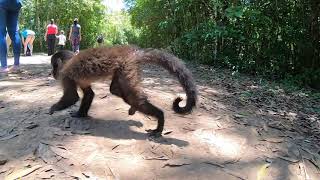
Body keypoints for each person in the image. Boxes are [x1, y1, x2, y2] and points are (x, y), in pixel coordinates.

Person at [0, 0, 22, 74]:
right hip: (15, 3)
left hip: (2, 3)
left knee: (1, 33)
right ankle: (16, 65)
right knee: (15, 33)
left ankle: (4, 67)